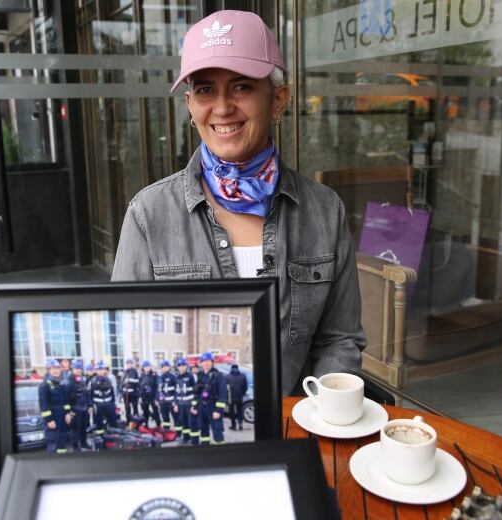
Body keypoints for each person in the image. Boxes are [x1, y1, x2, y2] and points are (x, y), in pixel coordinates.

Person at [111, 10, 366, 396]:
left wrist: (321, 415)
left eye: (242, 86)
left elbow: (338, 340)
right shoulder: (149, 216)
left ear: (278, 99)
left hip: (294, 429)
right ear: (190, 105)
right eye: (205, 90)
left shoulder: (324, 212)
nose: (223, 107)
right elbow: (127, 345)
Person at [191, 352, 227, 445]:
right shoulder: (200, 375)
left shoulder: (219, 376)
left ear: (212, 362)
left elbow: (223, 394)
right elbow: (197, 393)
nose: (206, 363)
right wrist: (194, 407)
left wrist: (218, 410)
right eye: (204, 361)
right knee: (203, 430)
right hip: (202, 407)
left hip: (213, 407)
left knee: (217, 431)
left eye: (208, 361)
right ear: (201, 363)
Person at [38, 359, 72, 453]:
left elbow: (66, 402)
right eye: (53, 368)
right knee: (53, 442)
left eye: (57, 368)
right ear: (48, 370)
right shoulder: (44, 385)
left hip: (62, 417)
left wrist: (68, 414)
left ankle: (62, 462)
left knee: (62, 441)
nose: (56, 370)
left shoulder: (61, 384)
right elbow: (44, 405)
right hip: (53, 417)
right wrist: (49, 420)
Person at [89, 361, 118, 438]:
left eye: (102, 369)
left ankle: (113, 437)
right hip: (98, 405)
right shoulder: (92, 381)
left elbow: (112, 392)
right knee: (99, 423)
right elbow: (89, 395)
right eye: (99, 369)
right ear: (96, 370)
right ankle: (100, 437)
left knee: (113, 421)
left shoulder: (108, 379)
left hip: (109, 404)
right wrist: (91, 405)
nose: (101, 371)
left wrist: (113, 403)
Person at [68, 359, 92, 451]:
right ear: (73, 369)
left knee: (84, 427)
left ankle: (84, 443)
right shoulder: (68, 381)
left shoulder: (83, 379)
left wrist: (89, 406)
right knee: (75, 429)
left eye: (80, 368)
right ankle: (75, 446)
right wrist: (69, 411)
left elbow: (87, 394)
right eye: (76, 368)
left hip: (84, 408)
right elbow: (66, 398)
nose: (78, 370)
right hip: (74, 409)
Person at [174, 358, 196, 443]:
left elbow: (195, 391)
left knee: (192, 422)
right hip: (180, 404)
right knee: (184, 422)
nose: (181, 367)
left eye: (183, 365)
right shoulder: (176, 377)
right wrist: (175, 404)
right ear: (177, 367)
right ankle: (186, 437)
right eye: (179, 365)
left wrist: (194, 405)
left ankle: (194, 439)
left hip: (189, 404)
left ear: (186, 366)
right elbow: (176, 392)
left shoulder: (190, 376)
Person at [157, 360, 178, 431]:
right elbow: (158, 389)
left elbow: (176, 390)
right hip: (163, 402)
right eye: (163, 367)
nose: (165, 368)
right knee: (164, 416)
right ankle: (166, 429)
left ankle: (178, 432)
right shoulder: (160, 377)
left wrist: (175, 401)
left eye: (166, 367)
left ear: (169, 367)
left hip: (171, 401)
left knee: (175, 417)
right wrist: (157, 399)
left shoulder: (173, 377)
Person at [138, 360, 160, 428]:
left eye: (148, 367)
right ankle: (146, 425)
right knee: (145, 412)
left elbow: (157, 386)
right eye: (145, 367)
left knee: (155, 411)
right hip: (144, 397)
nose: (147, 368)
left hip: (152, 396)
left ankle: (158, 425)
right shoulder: (141, 376)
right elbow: (139, 386)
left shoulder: (154, 375)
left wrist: (157, 397)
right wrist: (140, 396)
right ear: (143, 368)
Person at [226, 364, 248, 431]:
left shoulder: (227, 376)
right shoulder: (243, 376)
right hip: (239, 396)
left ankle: (233, 425)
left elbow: (226, 388)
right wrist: (243, 394)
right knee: (240, 410)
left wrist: (226, 397)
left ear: (231, 368)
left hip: (230, 397)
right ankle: (240, 424)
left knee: (231, 411)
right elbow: (245, 387)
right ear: (238, 368)